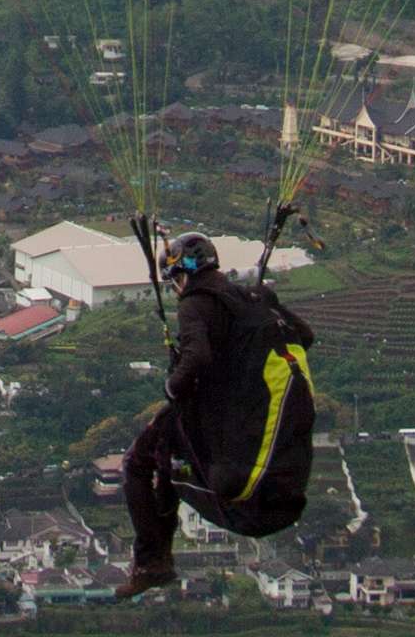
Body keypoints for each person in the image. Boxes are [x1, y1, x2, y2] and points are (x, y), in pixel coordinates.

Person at [117, 230, 320, 598]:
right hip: (245, 421)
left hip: (224, 449)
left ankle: (152, 563)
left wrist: (172, 386)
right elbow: (303, 336)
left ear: (182, 275)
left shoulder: (195, 303)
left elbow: (197, 359)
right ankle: (154, 561)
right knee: (162, 456)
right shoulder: (254, 296)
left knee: (139, 463)